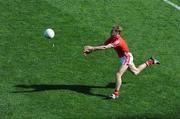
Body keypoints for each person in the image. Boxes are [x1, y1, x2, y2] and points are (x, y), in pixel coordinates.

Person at [83, 25, 160, 99]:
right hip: (123, 58)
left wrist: (92, 48)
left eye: (113, 31)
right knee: (136, 72)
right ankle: (151, 61)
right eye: (111, 31)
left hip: (127, 57)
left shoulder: (118, 41)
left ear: (117, 33)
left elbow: (105, 47)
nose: (111, 32)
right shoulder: (112, 38)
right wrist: (92, 50)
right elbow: (103, 44)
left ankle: (115, 94)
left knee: (118, 74)